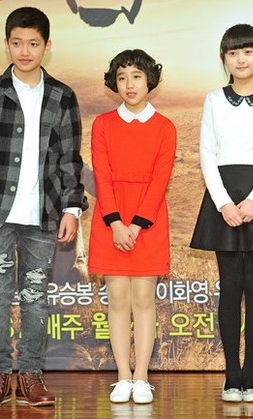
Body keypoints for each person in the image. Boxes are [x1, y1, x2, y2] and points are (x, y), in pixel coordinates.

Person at [0, 7, 86, 408]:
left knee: (36, 295)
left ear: (47, 46)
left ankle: (31, 376)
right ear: (6, 44)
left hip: (44, 214)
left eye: (33, 43)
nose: (25, 51)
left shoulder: (62, 96)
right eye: (17, 43)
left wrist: (72, 208)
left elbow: (69, 159)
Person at [189, 24, 253, 403]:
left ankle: (252, 374)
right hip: (224, 196)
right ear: (224, 59)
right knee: (230, 287)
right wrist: (223, 203)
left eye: (248, 51)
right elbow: (207, 152)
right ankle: (232, 375)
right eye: (233, 53)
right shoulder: (214, 99)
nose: (241, 59)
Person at [88, 49, 176, 404]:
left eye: (136, 76)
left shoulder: (165, 127)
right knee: (118, 300)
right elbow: (101, 175)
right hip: (110, 220)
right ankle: (122, 376)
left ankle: (142, 377)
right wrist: (115, 223)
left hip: (148, 221)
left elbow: (159, 180)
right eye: (122, 77)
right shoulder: (102, 124)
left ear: (149, 80)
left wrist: (136, 226)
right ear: (114, 83)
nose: (129, 84)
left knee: (143, 299)